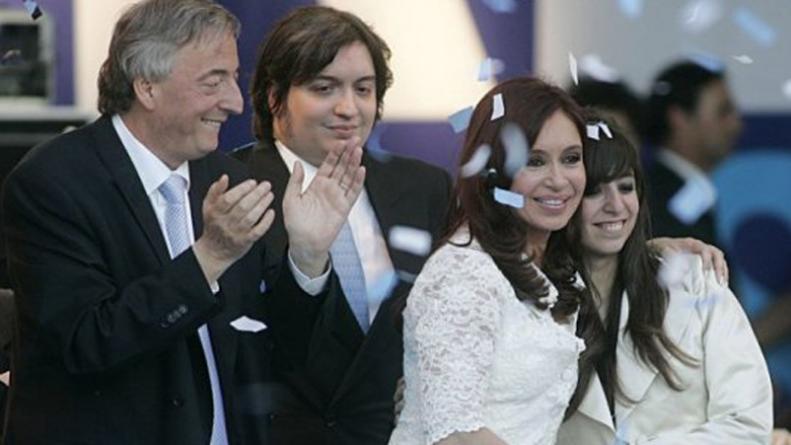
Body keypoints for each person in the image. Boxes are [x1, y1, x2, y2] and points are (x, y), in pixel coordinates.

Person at [1, 1, 363, 443]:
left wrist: (306, 258)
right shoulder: (54, 182)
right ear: (147, 87)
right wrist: (209, 257)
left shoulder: (230, 180)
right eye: (214, 81)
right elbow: (86, 342)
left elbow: (278, 347)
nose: (234, 102)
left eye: (233, 78)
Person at [231, 6, 452, 444]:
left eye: (363, 89)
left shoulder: (425, 187)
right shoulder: (229, 186)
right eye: (324, 88)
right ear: (275, 97)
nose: (349, 108)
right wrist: (307, 259)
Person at [390, 77, 589, 445]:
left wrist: (671, 248)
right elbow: (455, 433)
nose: (559, 180)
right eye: (534, 161)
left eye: (571, 159)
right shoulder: (463, 271)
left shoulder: (555, 266)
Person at [557, 118, 773, 444]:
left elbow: (748, 422)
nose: (615, 205)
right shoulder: (534, 298)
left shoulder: (695, 278)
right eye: (594, 191)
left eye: (626, 187)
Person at [643, 60, 743, 248]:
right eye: (723, 112)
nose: (736, 124)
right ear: (678, 117)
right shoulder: (659, 204)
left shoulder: (673, 193)